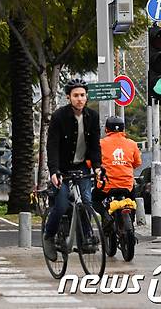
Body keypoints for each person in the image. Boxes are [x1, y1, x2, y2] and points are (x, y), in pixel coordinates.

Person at [43, 78, 102, 261]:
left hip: (82, 167)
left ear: (86, 97)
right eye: (75, 95)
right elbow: (51, 146)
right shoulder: (59, 116)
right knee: (60, 205)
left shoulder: (93, 116)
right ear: (69, 97)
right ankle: (49, 236)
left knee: (86, 202)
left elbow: (94, 146)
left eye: (83, 95)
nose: (79, 99)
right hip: (62, 168)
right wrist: (54, 171)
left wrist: (98, 167)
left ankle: (86, 238)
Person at [92, 116, 142, 229]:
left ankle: (106, 216)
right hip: (127, 185)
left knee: (94, 200)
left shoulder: (100, 144)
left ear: (106, 130)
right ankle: (131, 224)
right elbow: (137, 163)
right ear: (123, 130)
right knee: (132, 200)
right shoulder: (132, 144)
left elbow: (91, 163)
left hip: (106, 186)